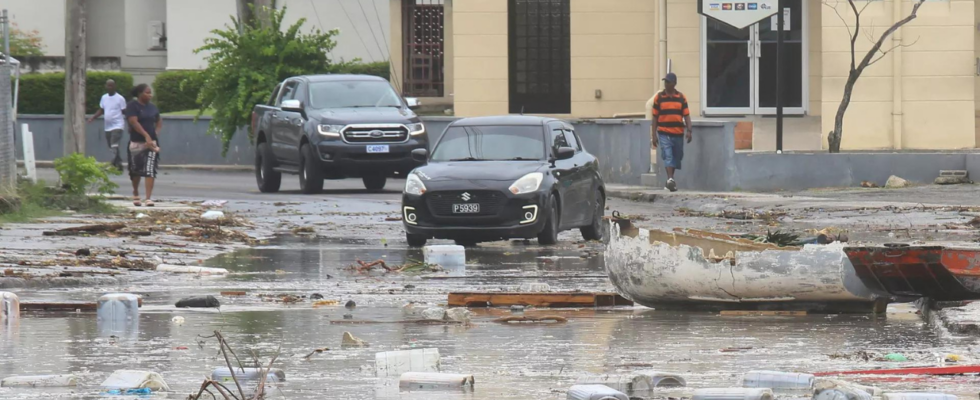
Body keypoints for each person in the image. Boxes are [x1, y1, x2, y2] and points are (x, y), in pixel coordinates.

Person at [651, 72, 693, 192]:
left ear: (674, 84)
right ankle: (670, 179)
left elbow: (686, 115)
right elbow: (654, 117)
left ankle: (670, 181)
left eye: (668, 82)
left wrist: (689, 130)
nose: (666, 84)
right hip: (664, 132)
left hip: (678, 132)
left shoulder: (681, 97)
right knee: (668, 155)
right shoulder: (659, 98)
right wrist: (653, 135)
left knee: (677, 156)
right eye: (665, 82)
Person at [124, 84, 162, 207]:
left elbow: (159, 121)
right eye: (147, 92)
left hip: (151, 144)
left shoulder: (152, 107)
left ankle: (148, 198)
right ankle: (135, 192)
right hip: (137, 142)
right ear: (139, 94)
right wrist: (146, 135)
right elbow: (133, 122)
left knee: (150, 169)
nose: (150, 95)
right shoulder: (132, 106)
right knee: (135, 170)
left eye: (150, 93)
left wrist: (154, 134)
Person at [88, 79, 128, 170]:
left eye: (111, 85)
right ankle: (119, 163)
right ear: (106, 86)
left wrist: (131, 123)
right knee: (111, 146)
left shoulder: (120, 98)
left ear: (115, 86)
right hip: (108, 126)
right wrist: (93, 117)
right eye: (108, 85)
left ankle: (113, 163)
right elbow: (101, 110)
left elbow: (125, 111)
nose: (109, 87)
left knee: (114, 144)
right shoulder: (104, 97)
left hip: (118, 125)